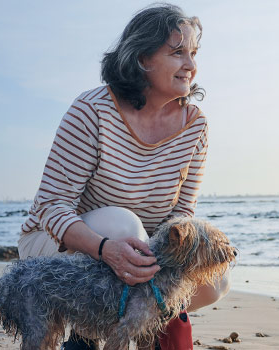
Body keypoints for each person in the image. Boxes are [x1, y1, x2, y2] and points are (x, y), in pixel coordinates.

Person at [15, 3, 227, 349]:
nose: (191, 65)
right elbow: (52, 207)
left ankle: (118, 321)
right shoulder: (92, 111)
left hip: (140, 252)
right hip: (59, 245)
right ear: (143, 59)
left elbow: (181, 217)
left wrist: (164, 267)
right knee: (123, 225)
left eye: (193, 53)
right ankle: (89, 322)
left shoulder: (196, 125)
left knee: (214, 279)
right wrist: (105, 248)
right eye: (177, 53)